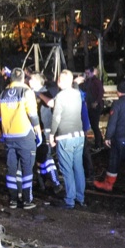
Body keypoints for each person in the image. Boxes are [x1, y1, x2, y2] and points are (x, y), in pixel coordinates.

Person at [0, 68, 42, 209]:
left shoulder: (3, 93)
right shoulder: (26, 92)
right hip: (25, 136)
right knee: (27, 168)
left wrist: (1, 132)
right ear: (23, 78)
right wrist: (38, 131)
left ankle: (13, 199)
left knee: (12, 169)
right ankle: (27, 200)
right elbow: (32, 114)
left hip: (9, 136)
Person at [94, 82, 125, 195]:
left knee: (114, 161)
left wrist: (108, 137)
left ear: (119, 92)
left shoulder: (117, 104)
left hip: (120, 138)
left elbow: (113, 122)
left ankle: (108, 184)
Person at [48, 70, 86, 208]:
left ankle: (70, 199)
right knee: (78, 167)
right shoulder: (77, 94)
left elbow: (56, 117)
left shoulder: (60, 96)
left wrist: (51, 135)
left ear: (61, 81)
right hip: (79, 135)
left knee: (67, 169)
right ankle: (80, 197)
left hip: (65, 137)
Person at [82, 68, 106, 151]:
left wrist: (96, 102)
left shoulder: (96, 81)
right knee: (94, 125)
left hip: (96, 106)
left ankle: (98, 144)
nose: (87, 75)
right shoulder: (88, 81)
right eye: (86, 73)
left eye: (88, 73)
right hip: (90, 105)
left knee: (95, 125)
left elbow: (101, 92)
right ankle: (100, 142)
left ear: (92, 73)